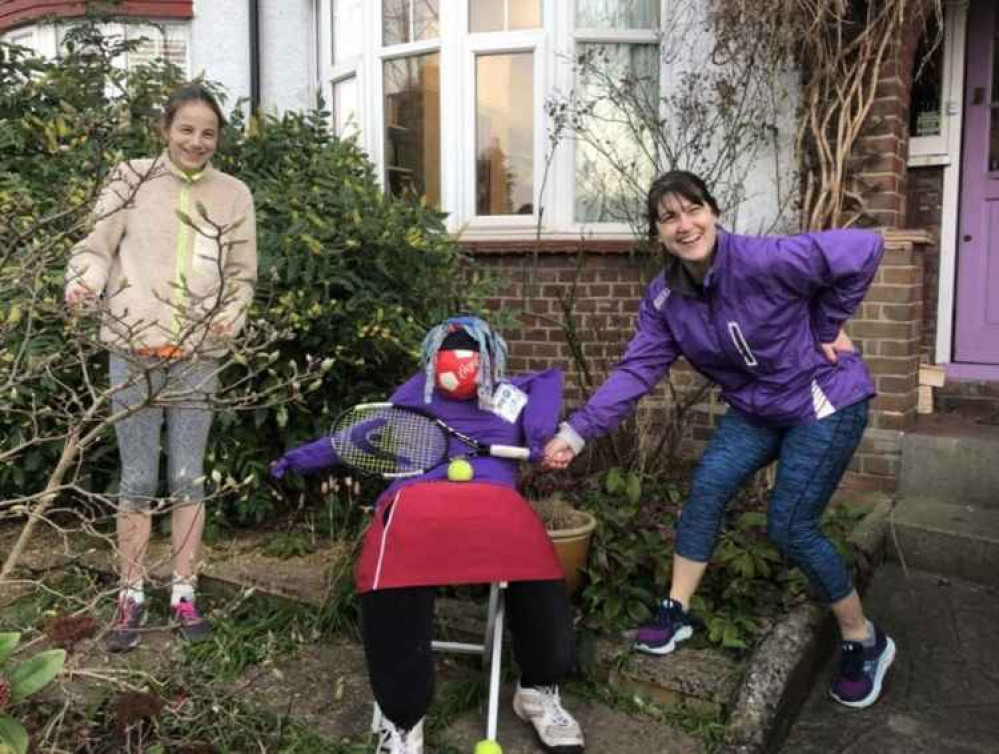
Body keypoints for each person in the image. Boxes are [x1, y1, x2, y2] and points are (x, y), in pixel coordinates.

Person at [544, 170, 895, 710]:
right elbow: (637, 372)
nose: (685, 225)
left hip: (822, 401)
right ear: (656, 233)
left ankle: (863, 639)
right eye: (669, 218)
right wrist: (576, 431)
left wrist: (827, 326)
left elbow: (865, 246)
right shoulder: (665, 300)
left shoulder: (763, 260)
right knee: (706, 487)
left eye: (693, 210)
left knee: (791, 526)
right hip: (757, 409)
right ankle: (677, 612)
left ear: (713, 210)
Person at [271, 316, 585, 754]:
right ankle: (402, 717)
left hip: (495, 506)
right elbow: (351, 440)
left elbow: (547, 382)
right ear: (432, 361)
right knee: (395, 560)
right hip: (416, 501)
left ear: (490, 359)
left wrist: (538, 435)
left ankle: (537, 688)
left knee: (535, 562)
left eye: (472, 359)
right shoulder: (411, 398)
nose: (461, 368)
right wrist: (296, 460)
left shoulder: (509, 394)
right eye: (450, 360)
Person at [65, 82, 257, 652]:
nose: (196, 142)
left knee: (187, 478)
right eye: (186, 129)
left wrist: (230, 315)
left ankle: (183, 589)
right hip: (132, 350)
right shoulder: (130, 179)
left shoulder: (233, 195)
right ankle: (131, 593)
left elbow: (241, 275)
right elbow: (95, 248)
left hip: (198, 357)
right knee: (138, 479)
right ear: (165, 130)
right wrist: (83, 285)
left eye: (208, 133)